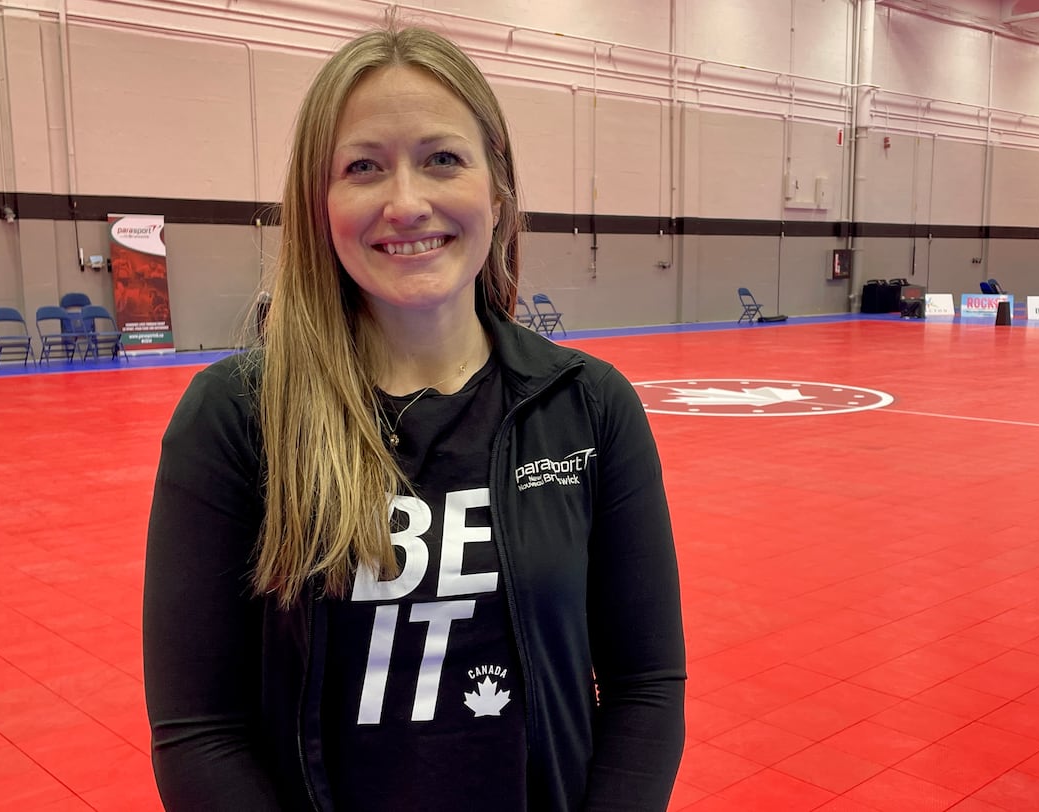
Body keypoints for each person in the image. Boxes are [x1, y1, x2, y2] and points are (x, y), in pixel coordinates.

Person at [142, 23, 685, 812]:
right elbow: (200, 732)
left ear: (496, 195)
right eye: (363, 167)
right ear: (319, 204)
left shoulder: (589, 408)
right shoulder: (235, 419)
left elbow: (646, 688)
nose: (406, 202)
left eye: (442, 159)